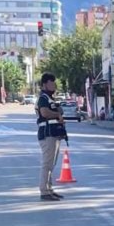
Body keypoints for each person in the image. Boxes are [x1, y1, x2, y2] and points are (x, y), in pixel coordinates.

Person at [35, 73, 67, 202]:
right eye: (51, 83)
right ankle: (44, 191)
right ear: (44, 84)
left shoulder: (50, 98)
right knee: (47, 163)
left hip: (54, 134)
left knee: (51, 164)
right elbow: (44, 112)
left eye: (54, 83)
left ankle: (49, 189)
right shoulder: (43, 98)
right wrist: (57, 115)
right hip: (47, 134)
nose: (53, 85)